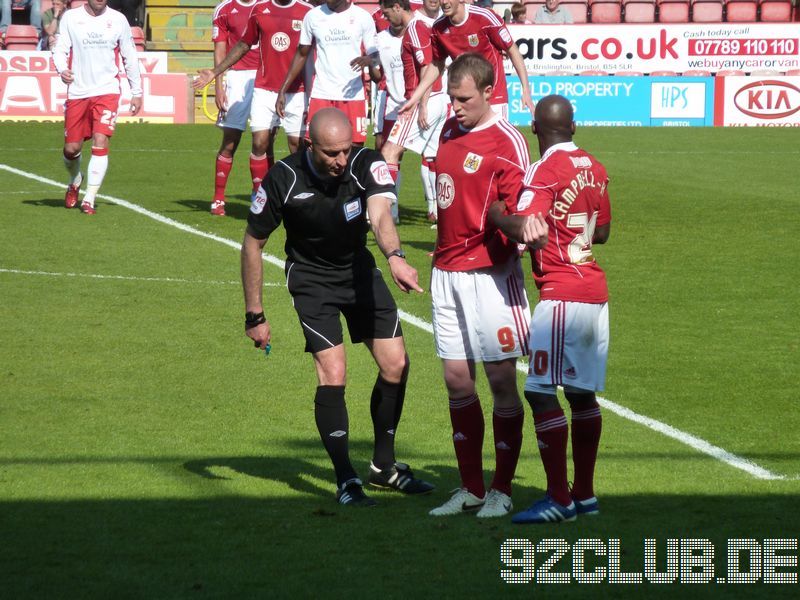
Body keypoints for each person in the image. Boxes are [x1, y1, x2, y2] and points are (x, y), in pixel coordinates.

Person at [241, 107, 434, 507]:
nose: (341, 161)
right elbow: (252, 243)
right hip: (311, 281)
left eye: (346, 150)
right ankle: (347, 480)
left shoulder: (365, 162)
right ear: (310, 145)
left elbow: (379, 212)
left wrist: (395, 254)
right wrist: (255, 314)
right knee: (334, 373)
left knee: (396, 364)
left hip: (358, 271)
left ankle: (384, 467)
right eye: (332, 154)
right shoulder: (283, 177)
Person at [490, 94, 610, 524]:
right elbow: (604, 232)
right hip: (595, 291)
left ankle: (559, 498)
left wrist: (496, 216)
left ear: (535, 130)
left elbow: (527, 228)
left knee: (540, 391)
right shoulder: (595, 167)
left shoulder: (544, 170)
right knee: (581, 393)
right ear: (574, 127)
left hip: (561, 292)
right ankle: (586, 495)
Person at [426, 53, 532, 519]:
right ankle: (469, 487)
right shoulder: (449, 128)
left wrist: (514, 237)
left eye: (464, 98)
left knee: (501, 380)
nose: (456, 106)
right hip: (445, 271)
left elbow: (524, 213)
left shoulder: (508, 142)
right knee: (455, 379)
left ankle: (502, 488)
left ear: (489, 91)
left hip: (490, 276)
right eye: (451, 97)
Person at [193, 0, 313, 215]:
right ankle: (255, 198)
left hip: (293, 87)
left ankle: (296, 198)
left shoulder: (307, 12)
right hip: (255, 85)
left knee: (293, 145)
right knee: (251, 141)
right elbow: (240, 44)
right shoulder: (253, 10)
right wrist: (216, 74)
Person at [52, 0, 141, 215]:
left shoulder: (118, 20)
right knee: (71, 149)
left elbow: (130, 56)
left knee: (101, 141)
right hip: (78, 92)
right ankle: (75, 179)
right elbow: (60, 49)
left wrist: (136, 92)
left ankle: (89, 198)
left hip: (107, 91)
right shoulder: (71, 18)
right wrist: (62, 70)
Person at [399, 0, 534, 122]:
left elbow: (512, 50)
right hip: (464, 100)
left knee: (494, 147)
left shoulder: (485, 18)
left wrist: (526, 90)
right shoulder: (438, 28)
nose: (444, 2)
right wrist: (414, 99)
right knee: (464, 147)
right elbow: (436, 64)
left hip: (493, 97)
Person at [380, 0, 447, 225]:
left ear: (398, 7)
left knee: (389, 152)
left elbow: (428, 67)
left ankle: (385, 213)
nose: (386, 18)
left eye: (387, 13)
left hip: (423, 101)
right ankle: (444, 214)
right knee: (435, 158)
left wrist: (421, 104)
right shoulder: (417, 27)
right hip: (435, 98)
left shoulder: (416, 27)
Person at [276, 0, 377, 146]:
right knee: (316, 146)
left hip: (353, 95)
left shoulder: (363, 17)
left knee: (354, 148)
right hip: (321, 93)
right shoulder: (312, 16)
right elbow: (301, 54)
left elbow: (376, 55)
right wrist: (282, 90)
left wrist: (369, 59)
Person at [202, 0, 261, 217]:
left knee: (264, 140)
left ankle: (259, 195)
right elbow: (220, 48)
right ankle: (218, 198)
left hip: (264, 77)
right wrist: (218, 84)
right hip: (236, 77)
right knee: (230, 140)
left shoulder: (266, 5)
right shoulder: (224, 8)